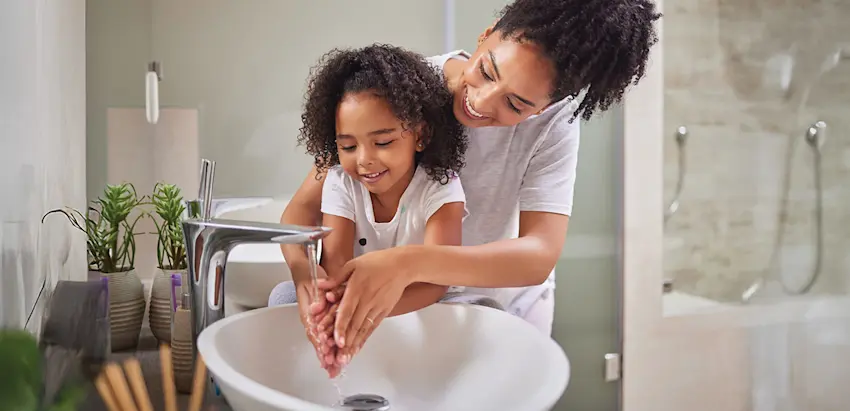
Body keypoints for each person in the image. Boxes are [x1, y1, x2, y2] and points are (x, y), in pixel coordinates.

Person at [274, 0, 661, 367]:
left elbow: (539, 255)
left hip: (494, 309)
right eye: (487, 70)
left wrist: (407, 264)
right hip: (403, 300)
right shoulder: (402, 90)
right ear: (486, 34)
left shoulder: (553, 127)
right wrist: (306, 276)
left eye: (516, 105)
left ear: (546, 106)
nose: (482, 101)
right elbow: (303, 209)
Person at [270, 44, 469, 376]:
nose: (364, 160)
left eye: (383, 142)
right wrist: (332, 313)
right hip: (355, 298)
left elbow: (437, 281)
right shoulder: (341, 181)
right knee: (283, 297)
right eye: (348, 146)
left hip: (422, 301)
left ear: (420, 135)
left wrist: (369, 313)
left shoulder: (441, 186)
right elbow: (335, 264)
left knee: (484, 310)